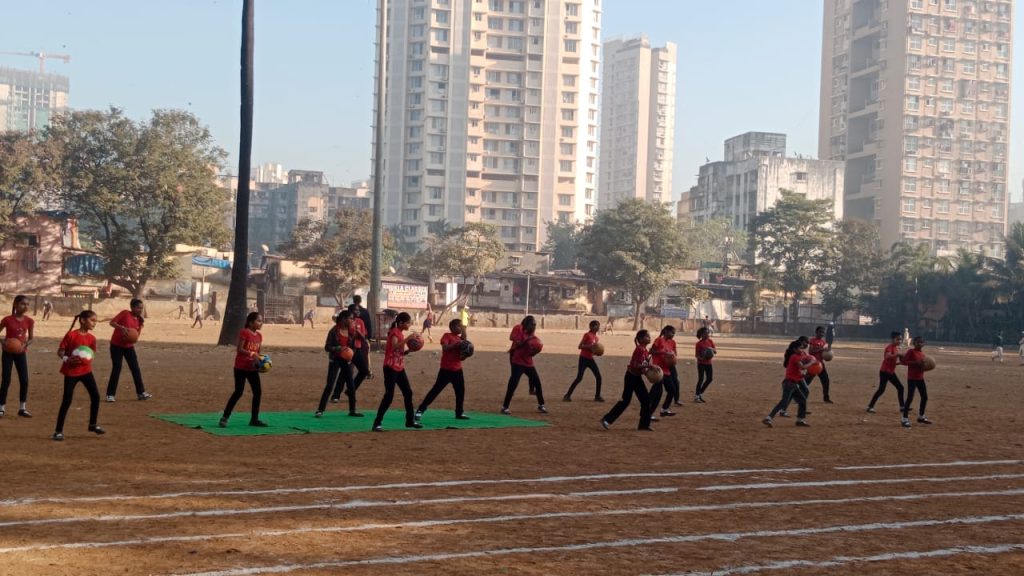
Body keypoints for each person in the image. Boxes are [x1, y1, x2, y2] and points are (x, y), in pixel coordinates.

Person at [53, 310, 105, 440]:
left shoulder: (92, 338)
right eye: (92, 320)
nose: (94, 323)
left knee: (96, 396)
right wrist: (67, 359)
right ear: (82, 320)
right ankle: (58, 431)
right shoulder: (71, 335)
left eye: (95, 321)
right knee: (67, 400)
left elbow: (91, 353)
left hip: (86, 371)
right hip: (71, 373)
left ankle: (92, 425)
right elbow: (60, 351)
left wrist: (86, 359)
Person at [371, 312, 423, 431]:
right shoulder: (395, 332)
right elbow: (394, 346)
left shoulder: (400, 333)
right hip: (390, 367)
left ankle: (410, 421)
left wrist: (408, 351)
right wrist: (408, 339)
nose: (409, 325)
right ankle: (377, 423)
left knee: (408, 392)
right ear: (401, 323)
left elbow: (398, 351)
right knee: (389, 396)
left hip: (399, 367)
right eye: (408, 323)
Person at [416, 319, 470, 422]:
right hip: (446, 370)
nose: (460, 328)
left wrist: (465, 355)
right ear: (452, 327)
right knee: (435, 390)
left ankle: (459, 412)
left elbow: (461, 356)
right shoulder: (447, 336)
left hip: (457, 370)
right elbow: (445, 348)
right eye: (458, 326)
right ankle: (420, 410)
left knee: (460, 392)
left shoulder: (460, 340)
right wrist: (456, 344)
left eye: (461, 326)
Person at [219, 312, 267, 428]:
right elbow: (239, 349)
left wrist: (261, 363)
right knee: (238, 392)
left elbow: (258, 353)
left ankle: (254, 419)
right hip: (240, 367)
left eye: (261, 321)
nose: (261, 323)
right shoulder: (244, 332)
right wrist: (252, 354)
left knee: (257, 392)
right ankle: (225, 417)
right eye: (258, 321)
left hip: (252, 369)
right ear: (250, 322)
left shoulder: (259, 336)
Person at [600, 329, 654, 431]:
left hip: (636, 377)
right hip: (631, 377)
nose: (649, 338)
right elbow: (635, 365)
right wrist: (649, 366)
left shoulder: (645, 351)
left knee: (646, 400)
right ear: (641, 339)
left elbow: (643, 368)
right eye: (647, 336)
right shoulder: (639, 350)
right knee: (626, 400)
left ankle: (644, 425)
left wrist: (649, 371)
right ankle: (606, 419)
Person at [105, 298, 152, 402]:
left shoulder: (140, 321)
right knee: (117, 368)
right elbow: (112, 323)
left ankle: (141, 393)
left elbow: (136, 337)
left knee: (135, 368)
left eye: (141, 308)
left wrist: (131, 337)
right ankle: (110, 394)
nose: (140, 310)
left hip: (128, 346)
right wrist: (121, 328)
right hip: (116, 345)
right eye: (138, 308)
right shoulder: (125, 313)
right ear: (132, 307)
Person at [317, 310, 362, 417]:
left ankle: (352, 410)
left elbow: (354, 347)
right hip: (335, 359)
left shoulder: (351, 332)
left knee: (351, 385)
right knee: (330, 385)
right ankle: (320, 410)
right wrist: (338, 348)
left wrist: (350, 353)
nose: (352, 320)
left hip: (346, 360)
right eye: (350, 318)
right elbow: (327, 347)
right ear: (343, 319)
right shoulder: (334, 331)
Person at [762, 339, 814, 428]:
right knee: (784, 402)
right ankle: (769, 418)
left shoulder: (798, 356)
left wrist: (805, 375)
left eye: (802, 348)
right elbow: (803, 366)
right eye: (800, 348)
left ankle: (800, 420)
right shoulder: (794, 357)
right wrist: (812, 362)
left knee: (802, 400)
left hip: (793, 384)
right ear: (794, 349)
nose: (802, 350)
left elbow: (798, 372)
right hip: (789, 384)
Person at [502, 315, 547, 415]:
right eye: (532, 325)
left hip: (528, 362)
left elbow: (532, 353)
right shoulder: (519, 329)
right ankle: (505, 407)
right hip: (517, 361)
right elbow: (516, 343)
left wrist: (536, 350)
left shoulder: (532, 334)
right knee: (513, 384)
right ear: (526, 324)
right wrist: (526, 341)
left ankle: (541, 405)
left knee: (537, 383)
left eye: (535, 325)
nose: (534, 327)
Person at [1, 295, 35, 418]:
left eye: (27, 304)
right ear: (15, 305)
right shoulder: (7, 320)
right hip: (8, 353)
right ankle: (1, 408)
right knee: (6, 380)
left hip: (21, 353)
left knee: (24, 380)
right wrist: (3, 342)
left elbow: (31, 338)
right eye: (22, 304)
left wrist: (24, 344)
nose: (25, 306)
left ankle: (22, 408)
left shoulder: (29, 321)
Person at [867, 331, 906, 416]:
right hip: (885, 372)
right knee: (883, 389)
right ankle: (870, 406)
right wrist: (898, 354)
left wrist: (899, 363)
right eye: (897, 339)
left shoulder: (895, 348)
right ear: (892, 339)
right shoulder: (890, 347)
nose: (899, 341)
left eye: (900, 339)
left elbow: (891, 361)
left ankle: (902, 407)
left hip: (890, 372)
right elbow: (887, 356)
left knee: (900, 388)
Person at [563, 320, 604, 402]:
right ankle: (567, 395)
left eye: (598, 326)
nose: (598, 327)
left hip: (590, 359)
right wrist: (590, 346)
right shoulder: (587, 335)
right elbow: (580, 346)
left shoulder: (596, 338)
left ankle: (597, 396)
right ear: (591, 327)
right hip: (583, 359)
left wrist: (597, 353)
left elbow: (593, 350)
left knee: (598, 377)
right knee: (579, 378)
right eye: (596, 326)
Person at [900, 336, 932, 428]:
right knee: (910, 398)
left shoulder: (922, 354)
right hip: (912, 378)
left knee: (924, 397)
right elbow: (904, 362)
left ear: (924, 344)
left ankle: (921, 416)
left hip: (920, 378)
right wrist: (915, 362)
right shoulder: (911, 351)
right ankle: (904, 419)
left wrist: (925, 366)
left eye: (921, 342)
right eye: (918, 342)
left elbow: (922, 366)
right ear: (914, 343)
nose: (920, 344)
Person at [649, 325, 678, 417]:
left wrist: (672, 357)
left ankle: (664, 409)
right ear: (666, 332)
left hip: (666, 369)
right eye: (672, 333)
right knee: (657, 393)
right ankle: (648, 413)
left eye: (674, 333)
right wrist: (663, 353)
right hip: (658, 369)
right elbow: (651, 351)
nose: (673, 335)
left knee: (672, 390)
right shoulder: (659, 340)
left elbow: (674, 353)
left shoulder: (672, 342)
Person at [807, 326, 833, 403]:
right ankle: (797, 396)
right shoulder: (812, 340)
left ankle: (826, 398)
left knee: (826, 381)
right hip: (813, 364)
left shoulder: (823, 342)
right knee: (806, 381)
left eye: (823, 332)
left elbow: (825, 354)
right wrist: (821, 349)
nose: (822, 334)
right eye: (820, 332)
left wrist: (828, 353)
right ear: (816, 332)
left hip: (820, 364)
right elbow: (810, 352)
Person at [694, 326, 717, 403]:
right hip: (701, 363)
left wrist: (711, 350)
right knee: (701, 379)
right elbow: (697, 355)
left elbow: (715, 351)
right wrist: (702, 358)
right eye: (705, 333)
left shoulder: (710, 341)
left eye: (708, 333)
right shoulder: (698, 344)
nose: (707, 334)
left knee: (709, 379)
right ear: (701, 334)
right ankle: (697, 396)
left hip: (709, 363)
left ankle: (700, 393)